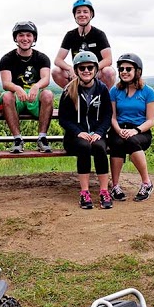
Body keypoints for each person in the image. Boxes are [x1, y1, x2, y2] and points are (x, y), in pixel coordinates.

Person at [58, 51, 114, 210]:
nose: (86, 70)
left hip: (97, 133)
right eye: (82, 68)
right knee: (84, 147)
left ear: (96, 69)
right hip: (74, 136)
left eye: (90, 67)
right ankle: (85, 192)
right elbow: (64, 118)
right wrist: (78, 132)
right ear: (76, 70)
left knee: (99, 147)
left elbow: (107, 114)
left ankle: (104, 191)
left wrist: (99, 132)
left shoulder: (102, 89)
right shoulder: (69, 90)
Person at [0, 21, 55, 153]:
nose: (25, 39)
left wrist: (36, 86)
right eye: (21, 35)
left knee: (48, 94)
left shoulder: (42, 58)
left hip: (35, 97)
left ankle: (42, 138)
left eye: (29, 35)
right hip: (16, 97)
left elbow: (45, 78)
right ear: (16, 38)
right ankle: (17, 139)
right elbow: (6, 83)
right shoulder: (7, 59)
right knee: (7, 96)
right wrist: (18, 89)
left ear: (34, 38)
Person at [108, 53, 154, 202]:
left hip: (140, 130)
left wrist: (135, 131)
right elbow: (113, 116)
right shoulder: (115, 91)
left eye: (128, 69)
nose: (124, 71)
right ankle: (115, 186)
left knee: (131, 141)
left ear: (138, 71)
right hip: (119, 128)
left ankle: (146, 183)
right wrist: (118, 130)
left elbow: (150, 120)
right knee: (116, 143)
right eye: (121, 68)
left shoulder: (148, 92)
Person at [52, 0, 115, 89]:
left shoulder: (99, 34)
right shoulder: (70, 35)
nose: (82, 15)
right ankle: (72, 94)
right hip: (78, 71)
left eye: (85, 12)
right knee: (56, 71)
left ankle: (102, 96)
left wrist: (93, 69)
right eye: (78, 12)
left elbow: (108, 59)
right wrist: (70, 68)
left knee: (109, 71)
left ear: (91, 14)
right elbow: (58, 60)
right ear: (75, 15)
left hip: (95, 72)